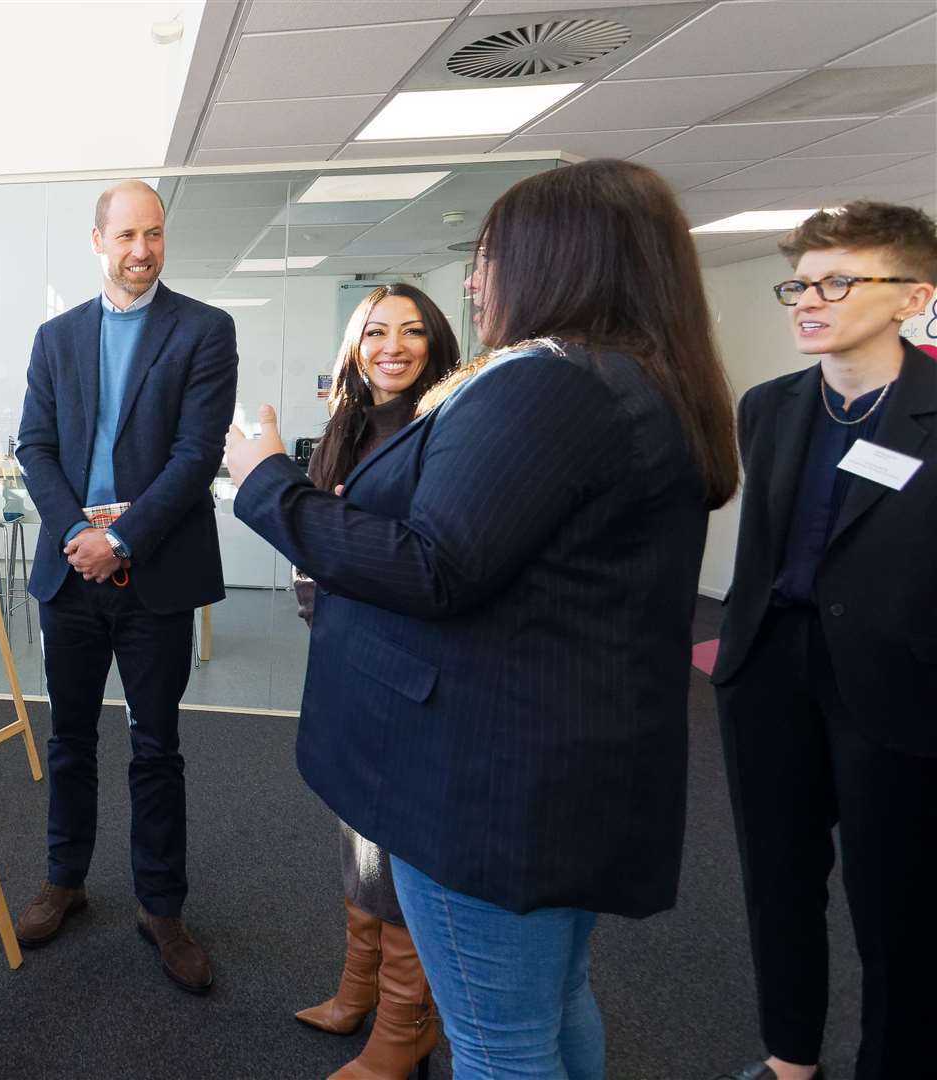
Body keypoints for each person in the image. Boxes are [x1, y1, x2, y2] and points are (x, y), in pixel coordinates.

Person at [222, 159, 738, 1079]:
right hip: (554, 759)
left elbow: (434, 565)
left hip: (486, 781)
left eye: (491, 255)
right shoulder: (634, 381)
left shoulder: (550, 386)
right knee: (551, 1006)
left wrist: (266, 480)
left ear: (556, 259)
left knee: (499, 1047)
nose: (476, 278)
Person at [708, 202, 937, 1080]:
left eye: (839, 281)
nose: (810, 299)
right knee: (777, 886)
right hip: (768, 669)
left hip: (894, 682)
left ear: (914, 295)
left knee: (897, 904)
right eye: (800, 283)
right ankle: (789, 1060)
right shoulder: (769, 407)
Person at [12, 179, 238, 993]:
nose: (142, 249)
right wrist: (80, 536)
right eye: (127, 235)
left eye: (155, 233)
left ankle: (161, 906)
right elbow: (34, 445)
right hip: (73, 575)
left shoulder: (205, 331)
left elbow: (195, 456)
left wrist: (123, 539)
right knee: (68, 738)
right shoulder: (55, 337)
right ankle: (63, 883)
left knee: (156, 746)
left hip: (156, 574)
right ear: (98, 240)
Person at [292, 283, 460, 1080]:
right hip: (346, 658)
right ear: (354, 346)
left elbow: (420, 561)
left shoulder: (448, 429)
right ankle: (358, 992)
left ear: (438, 342)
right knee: (357, 842)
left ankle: (404, 1028)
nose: (393, 347)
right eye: (376, 332)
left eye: (413, 331)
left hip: (407, 671)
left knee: (394, 857)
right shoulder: (347, 428)